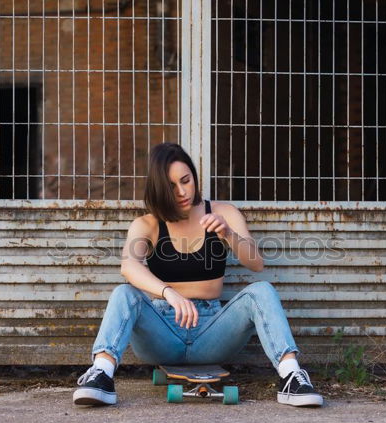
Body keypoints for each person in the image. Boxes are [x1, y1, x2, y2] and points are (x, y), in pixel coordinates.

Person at [72, 142, 323, 408]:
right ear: (159, 189)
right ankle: (101, 374)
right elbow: (129, 266)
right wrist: (169, 293)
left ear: (194, 177)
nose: (182, 192)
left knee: (261, 290)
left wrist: (228, 234)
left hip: (213, 334)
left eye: (186, 180)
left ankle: (292, 377)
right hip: (162, 333)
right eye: (171, 186)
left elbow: (256, 263)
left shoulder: (224, 213)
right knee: (124, 293)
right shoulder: (146, 224)